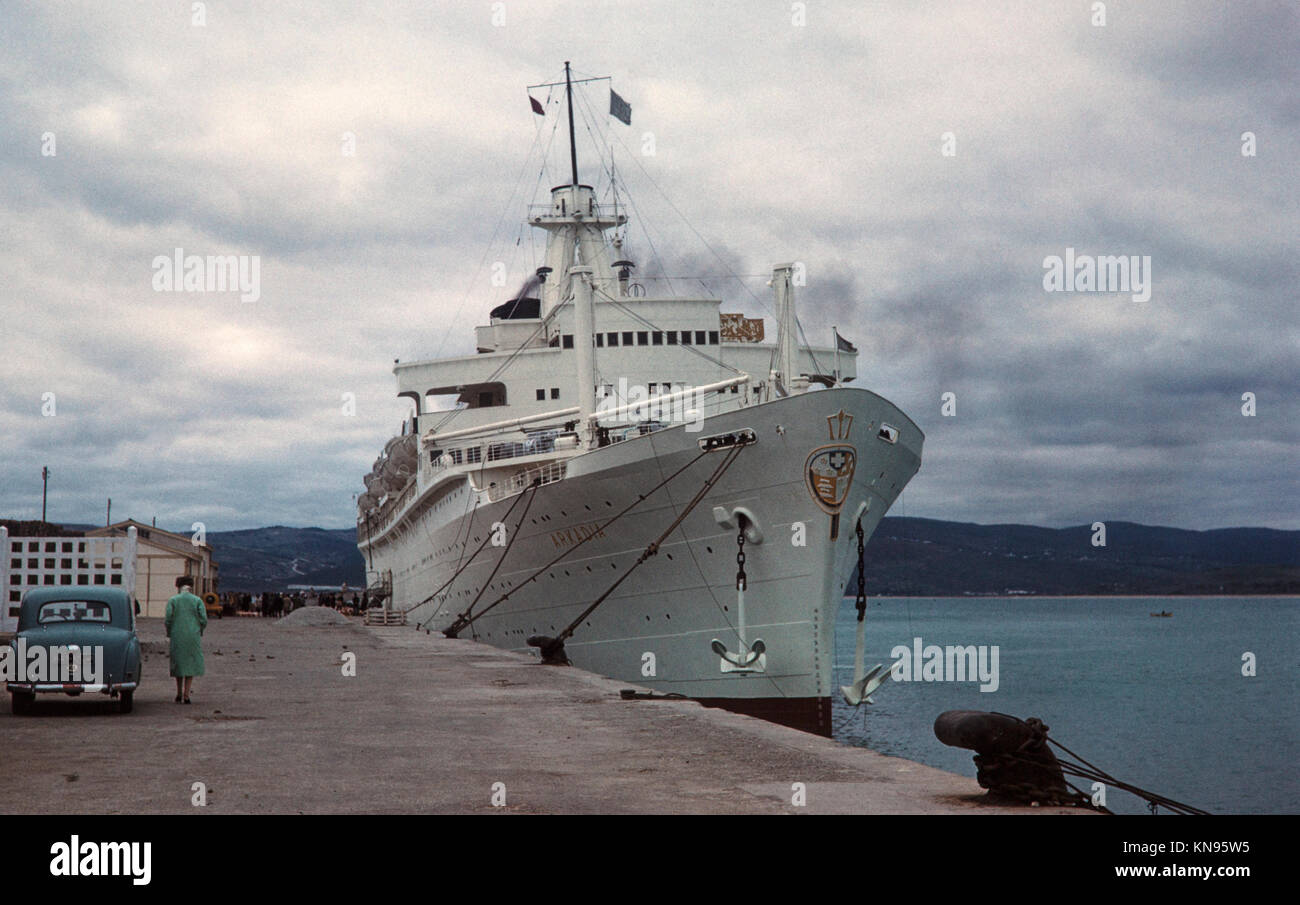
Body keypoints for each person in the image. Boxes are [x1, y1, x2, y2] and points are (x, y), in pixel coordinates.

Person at [165, 582, 207, 704]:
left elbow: (168, 618)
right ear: (190, 590)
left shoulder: (173, 600)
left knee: (179, 663)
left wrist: (169, 631)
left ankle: (178, 693)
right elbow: (204, 619)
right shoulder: (197, 600)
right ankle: (187, 694)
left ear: (180, 589)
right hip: (193, 635)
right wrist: (200, 629)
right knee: (190, 664)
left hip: (177, 634)